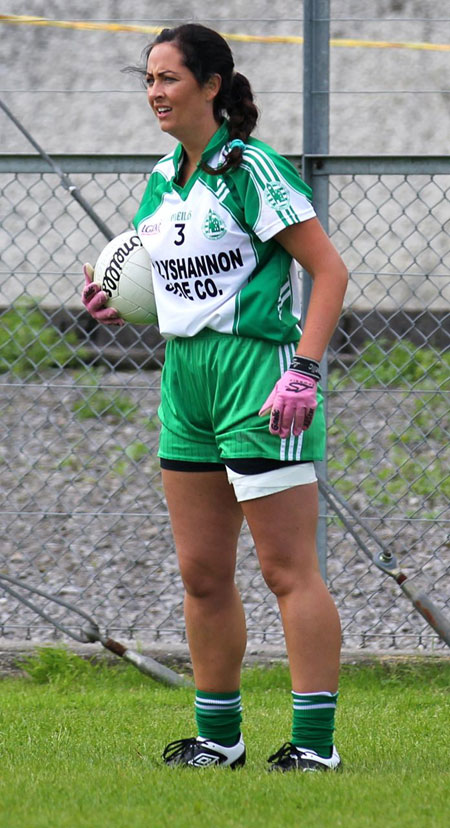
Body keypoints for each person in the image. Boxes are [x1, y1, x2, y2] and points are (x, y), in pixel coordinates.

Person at [81, 23, 348, 772]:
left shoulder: (254, 170)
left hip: (257, 376)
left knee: (286, 568)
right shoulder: (164, 177)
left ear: (212, 87)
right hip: (185, 378)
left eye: (168, 78)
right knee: (201, 572)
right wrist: (115, 299)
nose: (155, 92)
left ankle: (314, 747)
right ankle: (218, 738)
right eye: (148, 79)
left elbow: (329, 273)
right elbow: (151, 273)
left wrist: (303, 370)